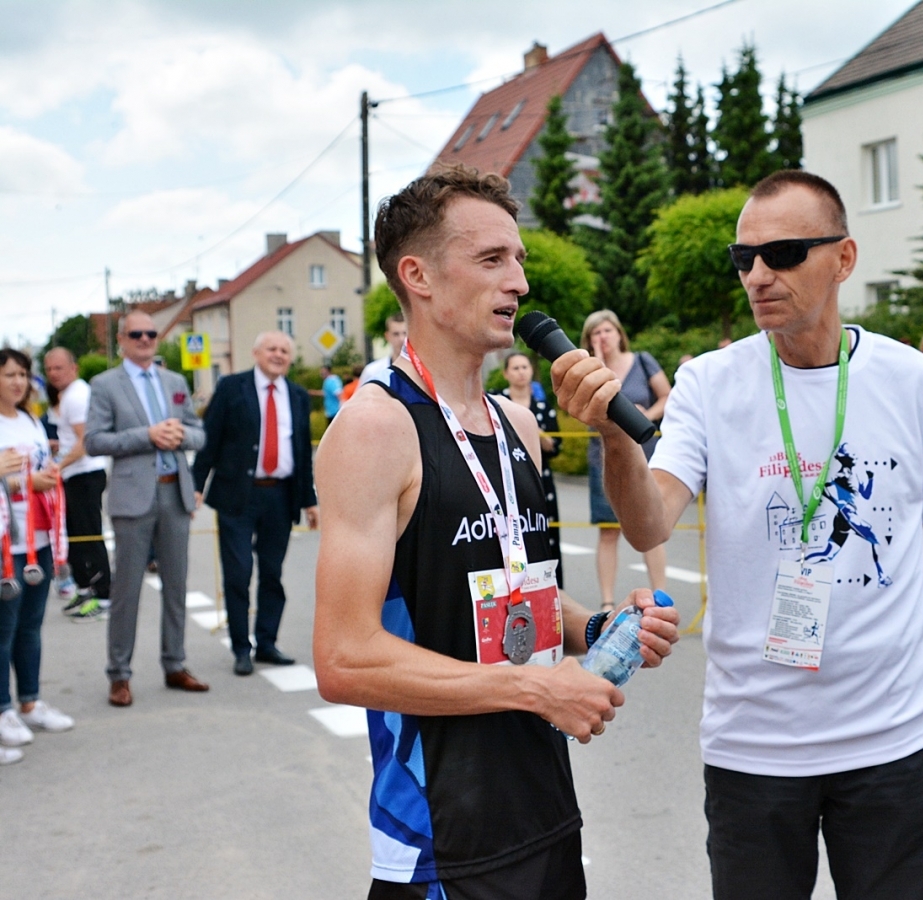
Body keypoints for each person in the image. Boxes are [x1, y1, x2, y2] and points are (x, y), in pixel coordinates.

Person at [554, 169, 923, 900]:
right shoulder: (709, 383)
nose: (759, 275)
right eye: (745, 258)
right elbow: (648, 521)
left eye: (784, 254)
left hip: (893, 737)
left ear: (844, 258)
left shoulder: (914, 379)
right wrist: (613, 437)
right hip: (754, 745)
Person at [311, 164, 679, 900]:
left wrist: (599, 629)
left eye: (519, 259)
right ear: (417, 276)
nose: (520, 282)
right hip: (441, 835)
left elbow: (514, 591)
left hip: (543, 805)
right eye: (491, 260)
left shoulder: (515, 422)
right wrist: (536, 687)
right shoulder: (377, 427)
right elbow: (344, 659)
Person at [86, 311, 209, 707]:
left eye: (151, 333)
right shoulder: (105, 384)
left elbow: (199, 434)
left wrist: (181, 435)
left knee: (176, 585)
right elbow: (94, 441)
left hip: (174, 492)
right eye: (136, 333)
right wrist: (148, 435)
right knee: (127, 589)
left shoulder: (174, 381)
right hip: (133, 496)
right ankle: (119, 674)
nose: (145, 339)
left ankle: (175, 664)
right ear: (121, 339)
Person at [191, 332, 319, 676]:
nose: (278, 355)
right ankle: (240, 648)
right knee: (238, 573)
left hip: (280, 496)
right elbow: (209, 439)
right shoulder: (233, 388)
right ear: (256, 353)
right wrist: (196, 485)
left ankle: (266, 642)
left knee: (272, 574)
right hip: (238, 495)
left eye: (285, 350)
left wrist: (309, 500)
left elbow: (302, 452)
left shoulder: (297, 395)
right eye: (272, 349)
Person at [0, 349, 75, 763]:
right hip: (5, 544)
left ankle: (29, 702)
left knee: (30, 626)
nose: (18, 382)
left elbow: (37, 471)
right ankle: (4, 709)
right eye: (9, 374)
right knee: (4, 630)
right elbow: (13, 479)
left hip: (39, 537)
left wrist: (45, 479)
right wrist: (23, 482)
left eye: (23, 375)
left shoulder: (30, 419)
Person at [580, 309, 670, 611]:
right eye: (596, 333)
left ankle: (660, 596)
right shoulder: (590, 369)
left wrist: (648, 415)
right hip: (604, 457)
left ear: (620, 333)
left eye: (607, 330)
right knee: (608, 530)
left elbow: (667, 395)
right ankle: (607, 601)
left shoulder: (642, 361)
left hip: (646, 455)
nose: (603, 336)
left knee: (652, 527)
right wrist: (597, 362)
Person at [43, 347, 112, 621]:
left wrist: (57, 465)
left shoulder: (77, 396)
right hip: (74, 474)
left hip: (85, 474)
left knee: (89, 535)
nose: (53, 373)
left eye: (59, 368)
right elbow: (72, 438)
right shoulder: (68, 394)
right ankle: (85, 589)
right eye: (49, 369)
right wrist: (55, 447)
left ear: (74, 368)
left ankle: (103, 596)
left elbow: (85, 441)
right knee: (74, 535)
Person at [492, 351, 564, 588]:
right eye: (515, 368)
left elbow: (556, 445)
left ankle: (552, 588)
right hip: (504, 477)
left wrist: (536, 433)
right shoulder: (496, 402)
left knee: (546, 534)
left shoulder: (542, 405)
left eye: (525, 367)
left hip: (540, 476)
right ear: (506, 373)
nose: (521, 372)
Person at [359, 313, 408, 385]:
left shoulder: (421, 370)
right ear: (387, 336)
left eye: (405, 333)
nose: (401, 339)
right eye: (396, 334)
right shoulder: (372, 372)